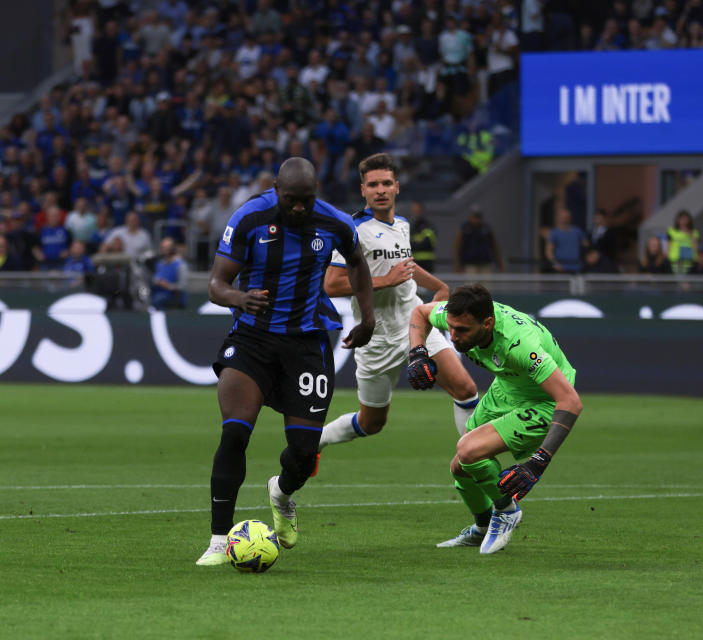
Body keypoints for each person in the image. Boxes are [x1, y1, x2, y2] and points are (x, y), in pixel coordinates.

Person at [196, 157, 376, 566]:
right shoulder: (249, 218)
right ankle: (218, 540)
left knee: (302, 452)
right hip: (252, 340)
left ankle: (282, 492)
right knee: (235, 433)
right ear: (276, 189)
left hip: (306, 345)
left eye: (306, 200)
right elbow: (216, 285)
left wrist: (368, 317)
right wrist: (240, 298)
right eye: (292, 200)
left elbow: (357, 265)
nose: (299, 208)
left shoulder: (335, 224)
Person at [319, 153, 478, 462]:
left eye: (386, 183)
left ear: (397, 188)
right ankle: (318, 441)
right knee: (372, 422)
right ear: (363, 189)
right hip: (376, 338)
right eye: (374, 184)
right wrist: (385, 281)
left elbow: (404, 265)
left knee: (466, 390)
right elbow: (332, 284)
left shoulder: (402, 224)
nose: (381, 190)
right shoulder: (352, 230)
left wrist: (438, 285)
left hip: (414, 322)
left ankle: (476, 465)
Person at [407, 284, 581, 554]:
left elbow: (570, 401)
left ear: (487, 323)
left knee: (468, 450)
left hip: (544, 402)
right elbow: (420, 312)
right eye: (450, 328)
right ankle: (482, 526)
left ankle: (506, 510)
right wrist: (417, 353)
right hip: (507, 390)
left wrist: (538, 463)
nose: (453, 336)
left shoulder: (519, 344)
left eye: (462, 330)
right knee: (460, 468)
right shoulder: (458, 315)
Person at [453, 205, 506, 273]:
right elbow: (457, 247)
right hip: (470, 263)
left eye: (478, 217)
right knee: (471, 283)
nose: (476, 220)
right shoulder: (464, 229)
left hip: (485, 263)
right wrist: (457, 264)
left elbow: (495, 247)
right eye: (475, 217)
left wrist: (500, 263)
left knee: (486, 283)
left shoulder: (486, 229)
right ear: (470, 217)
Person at [545, 207, 589, 273]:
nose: (565, 219)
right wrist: (555, 264)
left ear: (570, 218)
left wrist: (586, 261)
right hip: (561, 269)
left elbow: (587, 247)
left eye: (567, 217)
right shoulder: (554, 233)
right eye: (563, 217)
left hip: (577, 268)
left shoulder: (577, 231)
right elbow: (548, 251)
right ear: (559, 218)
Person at [151, 236, 187, 309]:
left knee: (158, 299)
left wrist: (168, 286)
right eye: (163, 247)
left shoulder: (180, 265)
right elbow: (155, 278)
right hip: (158, 293)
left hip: (174, 297)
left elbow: (183, 286)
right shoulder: (159, 263)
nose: (165, 249)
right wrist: (157, 282)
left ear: (173, 247)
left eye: (167, 247)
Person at [666, 210, 699, 274]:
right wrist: (667, 257)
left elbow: (696, 247)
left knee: (687, 276)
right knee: (675, 275)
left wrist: (690, 235)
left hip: (689, 260)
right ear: (678, 220)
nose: (683, 221)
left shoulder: (694, 233)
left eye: (685, 219)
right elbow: (668, 246)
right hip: (675, 259)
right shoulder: (672, 231)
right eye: (682, 219)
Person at [409, 201, 437, 272]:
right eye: (414, 210)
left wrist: (415, 242)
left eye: (417, 210)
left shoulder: (427, 225)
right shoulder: (412, 226)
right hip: (414, 262)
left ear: (421, 211)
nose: (415, 212)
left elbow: (427, 243)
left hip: (427, 263)